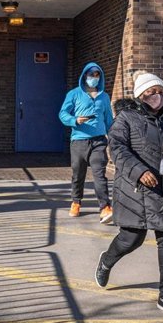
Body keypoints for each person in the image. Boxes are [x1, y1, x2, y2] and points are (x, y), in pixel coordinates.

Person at [95, 71, 163, 319]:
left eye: (160, 91)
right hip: (137, 189)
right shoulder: (126, 118)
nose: (157, 96)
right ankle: (106, 261)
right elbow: (116, 148)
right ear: (141, 95)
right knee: (132, 238)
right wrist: (139, 171)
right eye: (151, 92)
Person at [58, 62, 114, 223]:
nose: (94, 78)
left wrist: (114, 135)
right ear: (84, 76)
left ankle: (105, 207)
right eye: (91, 75)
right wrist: (75, 120)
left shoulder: (104, 96)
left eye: (97, 75)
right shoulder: (74, 94)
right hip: (79, 141)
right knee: (78, 174)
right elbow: (62, 113)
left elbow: (109, 119)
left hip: (98, 141)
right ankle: (76, 201)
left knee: (99, 174)